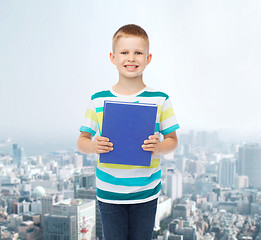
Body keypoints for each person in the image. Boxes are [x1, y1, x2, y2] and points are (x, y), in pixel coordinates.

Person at [77, 24, 180, 240]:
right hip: (109, 193)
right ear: (113, 57)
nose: (131, 58)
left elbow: (172, 140)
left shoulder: (161, 99)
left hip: (146, 192)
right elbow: (82, 141)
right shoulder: (99, 99)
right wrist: (94, 145)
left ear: (148, 58)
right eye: (124, 52)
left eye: (138, 53)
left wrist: (159, 147)